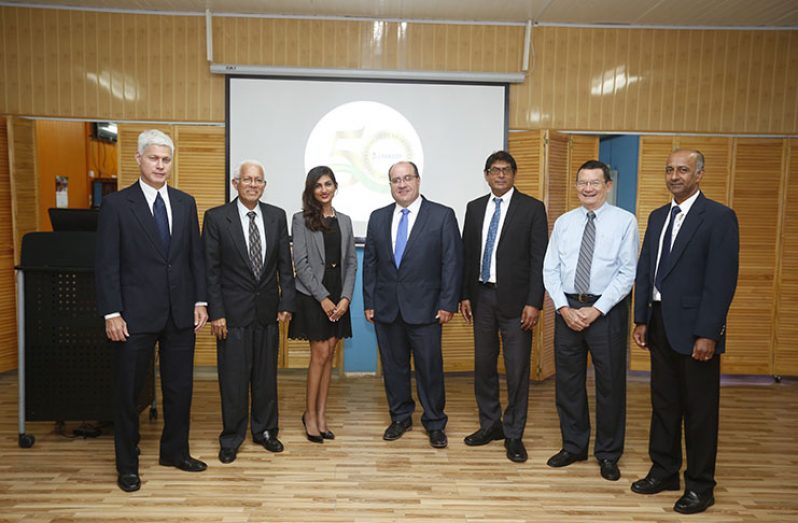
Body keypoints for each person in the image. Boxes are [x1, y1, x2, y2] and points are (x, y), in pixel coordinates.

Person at [95, 129, 209, 493]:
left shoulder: (186, 202)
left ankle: (175, 452)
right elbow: (106, 263)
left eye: (166, 159)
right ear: (139, 159)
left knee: (180, 389)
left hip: (180, 315)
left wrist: (200, 301)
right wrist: (111, 312)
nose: (161, 165)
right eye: (154, 158)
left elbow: (195, 258)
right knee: (129, 394)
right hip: (134, 316)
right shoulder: (117, 205)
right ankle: (127, 465)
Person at [631, 149, 739, 514]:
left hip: (696, 331)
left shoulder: (719, 217)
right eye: (669, 170)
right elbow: (646, 268)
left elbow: (721, 281)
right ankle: (664, 471)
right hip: (659, 323)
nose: (675, 176)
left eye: (683, 170)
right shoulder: (659, 216)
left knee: (700, 411)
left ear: (699, 174)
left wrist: (708, 332)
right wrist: (641, 318)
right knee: (664, 404)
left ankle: (700, 486)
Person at [542, 160, 638, 481]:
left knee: (610, 386)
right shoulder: (564, 222)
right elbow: (550, 269)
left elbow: (627, 273)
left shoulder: (625, 221)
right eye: (582, 182)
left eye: (594, 183)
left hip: (606, 312)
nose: (587, 188)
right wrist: (563, 308)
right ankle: (574, 445)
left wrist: (596, 310)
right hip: (567, 309)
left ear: (607, 185)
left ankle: (608, 454)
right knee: (568, 383)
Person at [363, 161, 463, 449]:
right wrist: (369, 301)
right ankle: (400, 417)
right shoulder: (378, 217)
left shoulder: (442, 216)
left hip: (428, 308)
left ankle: (434, 422)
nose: (402, 184)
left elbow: (451, 263)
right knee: (394, 368)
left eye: (407, 178)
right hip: (387, 309)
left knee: (429, 369)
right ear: (390, 184)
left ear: (418, 180)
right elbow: (370, 263)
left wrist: (447, 303)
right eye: (396, 180)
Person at [202, 160, 296, 464]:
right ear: (236, 183)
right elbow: (210, 272)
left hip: (268, 312)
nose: (253, 185)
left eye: (258, 180)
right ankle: (231, 438)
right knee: (233, 380)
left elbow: (285, 265)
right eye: (247, 180)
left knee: (266, 377)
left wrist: (286, 302)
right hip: (231, 315)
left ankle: (266, 431)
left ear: (264, 185)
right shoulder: (217, 218)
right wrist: (216, 312)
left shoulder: (276, 216)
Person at [459, 150, 548, 463]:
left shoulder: (533, 209)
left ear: (514, 174)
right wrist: (464, 295)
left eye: (506, 170)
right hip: (481, 298)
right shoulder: (474, 208)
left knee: (516, 370)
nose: (500, 175)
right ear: (486, 174)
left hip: (517, 303)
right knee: (483, 367)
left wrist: (534, 302)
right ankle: (490, 425)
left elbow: (540, 260)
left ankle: (513, 434)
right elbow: (467, 255)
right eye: (494, 170)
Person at [289, 166, 356, 443]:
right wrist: (325, 299)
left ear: (335, 186)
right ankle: (310, 415)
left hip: (339, 293)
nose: (324, 189)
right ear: (311, 191)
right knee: (319, 354)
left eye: (328, 184)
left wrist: (345, 298)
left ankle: (321, 413)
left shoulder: (346, 220)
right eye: (318, 185)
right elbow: (301, 265)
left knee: (330, 353)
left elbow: (351, 262)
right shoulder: (300, 219)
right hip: (312, 295)